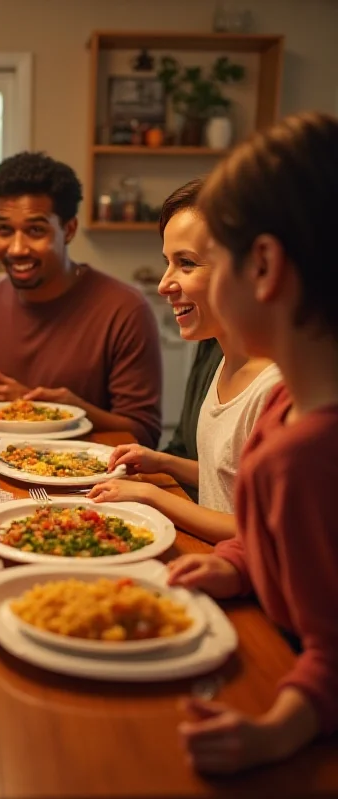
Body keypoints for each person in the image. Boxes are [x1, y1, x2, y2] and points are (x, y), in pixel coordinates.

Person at [167, 111, 338, 774]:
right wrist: (236, 563)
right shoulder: (290, 409)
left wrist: (272, 734)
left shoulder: (306, 457)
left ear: (262, 265)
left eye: (213, 259)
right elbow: (271, 536)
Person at [87, 179, 280, 543]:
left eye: (186, 264)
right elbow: (228, 479)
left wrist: (151, 494)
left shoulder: (273, 388)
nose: (163, 284)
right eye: (168, 263)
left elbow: (259, 534)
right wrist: (164, 462)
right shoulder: (225, 361)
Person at [0, 151, 163, 447]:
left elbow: (143, 433)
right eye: (4, 230)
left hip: (86, 485)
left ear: (68, 229)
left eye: (36, 230)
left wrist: (62, 409)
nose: (17, 248)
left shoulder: (125, 310)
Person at [161, 337, 223, 501]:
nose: (172, 309)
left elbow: (224, 486)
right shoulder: (210, 346)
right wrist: (160, 462)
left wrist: (150, 495)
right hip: (192, 500)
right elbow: (181, 447)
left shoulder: (267, 380)